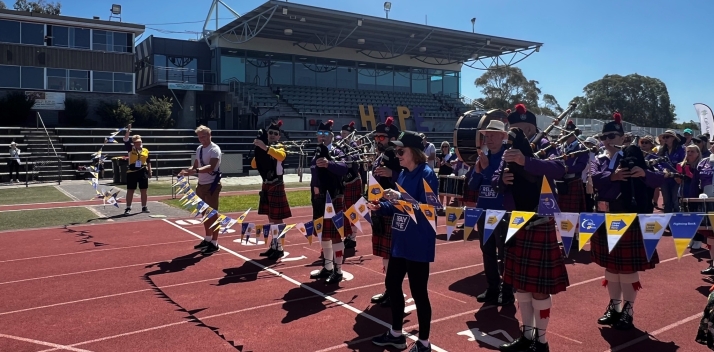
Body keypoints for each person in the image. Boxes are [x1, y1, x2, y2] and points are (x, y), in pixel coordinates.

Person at [494, 105, 570, 352]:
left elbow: (560, 169)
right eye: (516, 129)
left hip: (539, 221)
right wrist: (501, 180)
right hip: (516, 220)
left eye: (525, 129)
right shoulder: (508, 148)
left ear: (534, 127)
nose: (521, 133)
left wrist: (527, 161)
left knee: (538, 288)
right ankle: (527, 336)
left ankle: (542, 340)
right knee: (521, 285)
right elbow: (497, 176)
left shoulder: (547, 144)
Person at [591, 112, 664, 331]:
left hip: (631, 218)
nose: (607, 141)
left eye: (612, 135)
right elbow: (593, 180)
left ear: (623, 137)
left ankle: (628, 310)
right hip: (606, 217)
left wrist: (644, 174)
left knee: (628, 268)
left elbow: (662, 178)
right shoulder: (599, 159)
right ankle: (614, 308)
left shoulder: (640, 155)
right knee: (611, 268)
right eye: (604, 137)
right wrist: (611, 177)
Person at [370, 130, 439, 352]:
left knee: (419, 293)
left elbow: (428, 210)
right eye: (396, 150)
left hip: (418, 242)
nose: (397, 154)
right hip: (400, 240)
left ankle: (424, 343)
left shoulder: (427, 174)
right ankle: (396, 334)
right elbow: (399, 207)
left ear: (415, 153)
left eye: (401, 150)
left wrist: (400, 197)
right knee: (392, 284)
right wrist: (382, 207)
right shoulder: (402, 174)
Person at [470, 120, 513, 306]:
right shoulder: (483, 156)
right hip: (483, 211)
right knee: (487, 252)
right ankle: (492, 287)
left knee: (504, 253)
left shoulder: (508, 158)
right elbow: (472, 185)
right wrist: (479, 171)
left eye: (494, 135)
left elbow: (501, 185)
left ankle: (508, 290)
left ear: (504, 136)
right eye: (487, 135)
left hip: (502, 212)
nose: (489, 138)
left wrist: (486, 169)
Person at [309, 120, 349, 284]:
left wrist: (329, 163)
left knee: (336, 236)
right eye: (320, 134)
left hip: (333, 197)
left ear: (332, 136)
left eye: (326, 134)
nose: (322, 137)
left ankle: (338, 271)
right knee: (323, 234)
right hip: (319, 199)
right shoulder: (316, 152)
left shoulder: (338, 151)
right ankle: (327, 267)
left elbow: (345, 168)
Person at [370, 116, 402, 306]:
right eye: (376, 137)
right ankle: (389, 289)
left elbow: (409, 178)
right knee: (385, 254)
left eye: (382, 137)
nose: (378, 140)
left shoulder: (399, 155)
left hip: (393, 208)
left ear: (391, 137)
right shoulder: (382, 156)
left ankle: (394, 291)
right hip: (380, 206)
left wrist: (393, 174)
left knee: (393, 254)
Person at [252, 120, 292, 260]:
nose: (273, 135)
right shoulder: (265, 147)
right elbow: (253, 164)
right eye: (270, 133)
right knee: (270, 217)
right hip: (266, 184)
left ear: (279, 136)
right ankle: (274, 245)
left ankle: (279, 247)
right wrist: (259, 149)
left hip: (276, 184)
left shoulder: (280, 146)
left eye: (276, 133)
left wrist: (265, 148)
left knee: (277, 218)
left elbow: (281, 156)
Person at [180, 125, 223, 255]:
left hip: (212, 185)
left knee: (212, 214)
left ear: (210, 135)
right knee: (204, 214)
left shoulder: (214, 149)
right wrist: (187, 171)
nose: (201, 139)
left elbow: (211, 166)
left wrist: (195, 171)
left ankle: (215, 243)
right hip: (201, 184)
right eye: (199, 137)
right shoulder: (199, 149)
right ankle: (208, 238)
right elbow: (195, 165)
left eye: (203, 136)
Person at [340, 121, 362, 249]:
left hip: (352, 180)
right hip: (343, 182)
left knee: (352, 210)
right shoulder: (339, 145)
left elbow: (353, 162)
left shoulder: (354, 146)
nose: (344, 136)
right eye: (343, 133)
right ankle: (348, 235)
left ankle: (353, 237)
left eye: (347, 134)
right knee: (344, 210)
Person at [123, 125, 151, 215]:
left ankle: (144, 206)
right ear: (134, 143)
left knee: (144, 190)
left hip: (143, 171)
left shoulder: (145, 150)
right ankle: (128, 207)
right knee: (130, 190)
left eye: (139, 142)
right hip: (132, 172)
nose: (138, 144)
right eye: (136, 142)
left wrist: (150, 171)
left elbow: (148, 161)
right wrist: (128, 130)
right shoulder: (130, 149)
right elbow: (125, 139)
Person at [656, 129, 685, 213]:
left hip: (676, 177)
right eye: (664, 137)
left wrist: (678, 174)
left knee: (675, 199)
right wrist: (663, 169)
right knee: (666, 200)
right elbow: (658, 162)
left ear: (673, 138)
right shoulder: (662, 150)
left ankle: (677, 219)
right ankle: (667, 220)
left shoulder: (680, 149)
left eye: (667, 137)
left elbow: (683, 162)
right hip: (665, 177)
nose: (665, 139)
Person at [437, 141, 457, 206]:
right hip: (441, 173)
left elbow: (452, 165)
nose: (445, 148)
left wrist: (445, 162)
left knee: (448, 190)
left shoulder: (452, 155)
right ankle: (441, 204)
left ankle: (448, 205)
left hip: (449, 173)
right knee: (441, 191)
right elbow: (438, 166)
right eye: (443, 147)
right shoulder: (440, 155)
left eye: (446, 146)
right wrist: (439, 162)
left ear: (448, 147)